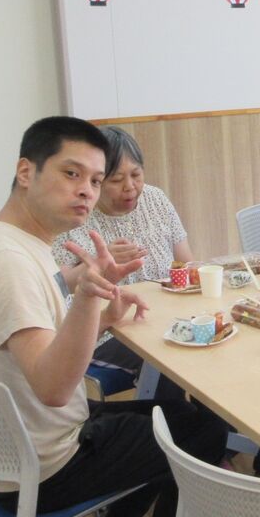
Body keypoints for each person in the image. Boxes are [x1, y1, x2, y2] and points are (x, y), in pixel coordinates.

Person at [0, 116, 230, 517]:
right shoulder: (8, 263)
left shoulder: (14, 245)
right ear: (26, 172)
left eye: (96, 180)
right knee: (199, 434)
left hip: (23, 445)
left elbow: (49, 351)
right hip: (43, 465)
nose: (87, 191)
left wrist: (103, 316)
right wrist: (87, 299)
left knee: (175, 421)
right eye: (72, 173)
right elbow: (54, 387)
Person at [53, 126, 193, 394]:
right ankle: (170, 417)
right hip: (104, 334)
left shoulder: (156, 199)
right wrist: (97, 265)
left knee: (204, 342)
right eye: (116, 180)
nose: (130, 187)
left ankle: (200, 417)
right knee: (170, 356)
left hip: (162, 320)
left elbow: (186, 264)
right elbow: (57, 288)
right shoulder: (75, 215)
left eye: (136, 175)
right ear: (96, 181)